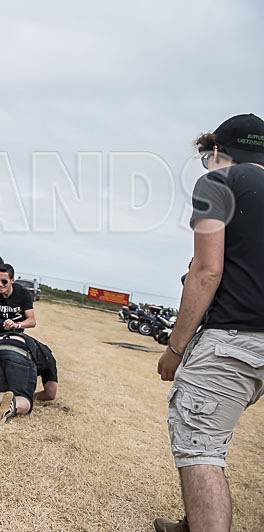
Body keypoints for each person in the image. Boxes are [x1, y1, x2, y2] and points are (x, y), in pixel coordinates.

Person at [154, 114, 264, 532]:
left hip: (235, 339)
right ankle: (193, 520)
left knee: (200, 446)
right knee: (216, 430)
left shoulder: (219, 183)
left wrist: (175, 348)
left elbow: (207, 271)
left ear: (216, 151)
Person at [0, 332, 57, 422]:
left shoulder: (28, 341)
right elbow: (51, 393)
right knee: (24, 397)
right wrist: (31, 395)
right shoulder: (49, 357)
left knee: (5, 391)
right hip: (18, 350)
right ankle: (12, 406)